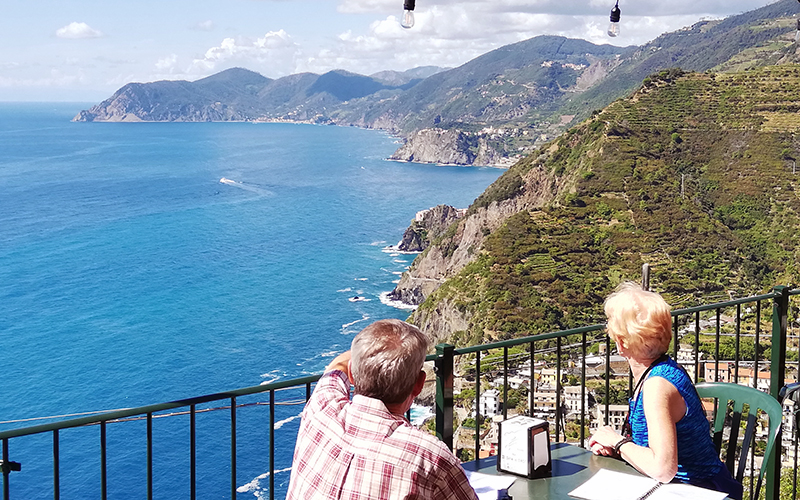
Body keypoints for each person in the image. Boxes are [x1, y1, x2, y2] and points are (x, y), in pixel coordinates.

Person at [286, 319, 478, 500]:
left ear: (352, 375)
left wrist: (372, 352)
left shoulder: (322, 408)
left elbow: (337, 366)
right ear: (419, 384)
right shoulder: (429, 457)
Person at [588, 282, 743, 500]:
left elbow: (663, 469)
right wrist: (622, 450)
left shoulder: (656, 385)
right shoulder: (664, 369)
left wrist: (618, 441)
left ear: (621, 344)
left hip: (698, 491)